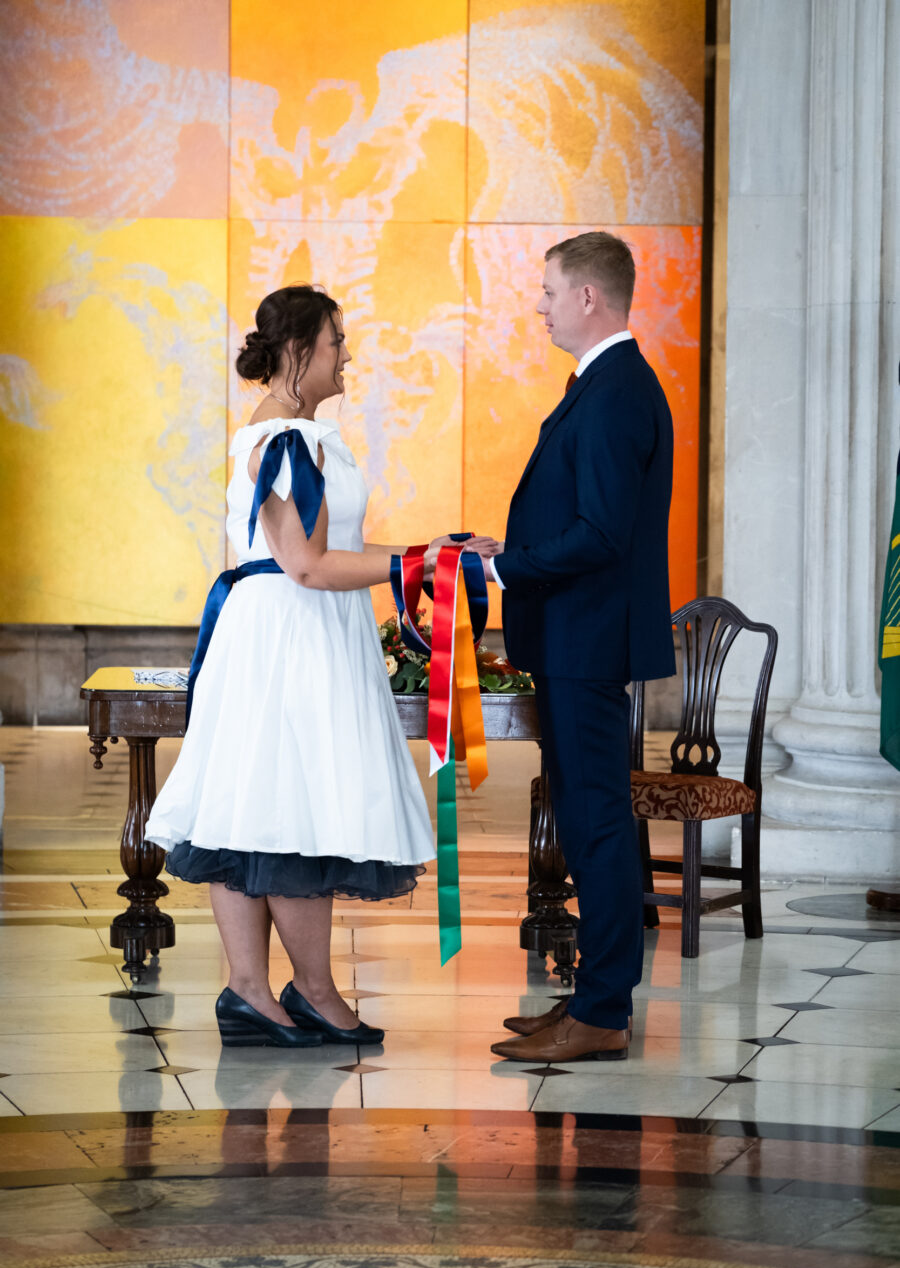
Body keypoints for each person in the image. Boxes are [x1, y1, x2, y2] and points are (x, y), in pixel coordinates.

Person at [146, 284, 496, 1049]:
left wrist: (427, 553)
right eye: (338, 341)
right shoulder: (285, 441)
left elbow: (311, 558)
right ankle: (297, 990)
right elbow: (304, 565)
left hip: (291, 632)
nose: (348, 355)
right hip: (291, 638)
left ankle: (258, 991)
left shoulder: (289, 432)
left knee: (259, 802)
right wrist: (419, 561)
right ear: (299, 349)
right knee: (289, 804)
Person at [462, 231, 675, 1063]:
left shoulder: (618, 389)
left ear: (590, 297)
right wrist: (503, 547)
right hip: (574, 640)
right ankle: (591, 998)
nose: (539, 305)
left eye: (548, 291)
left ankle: (603, 1012)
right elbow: (582, 518)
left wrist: (507, 567)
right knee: (589, 824)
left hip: (586, 644)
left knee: (597, 828)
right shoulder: (604, 384)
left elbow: (600, 533)